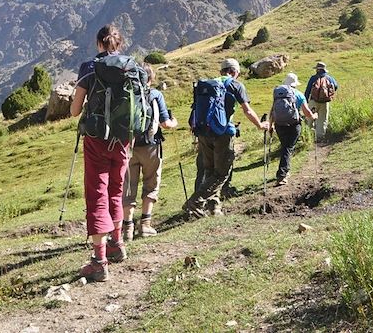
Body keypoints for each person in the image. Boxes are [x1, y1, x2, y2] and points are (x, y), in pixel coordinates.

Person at [70, 24, 135, 282]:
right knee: (116, 191)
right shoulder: (133, 66)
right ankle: (117, 244)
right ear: (119, 44)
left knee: (97, 192)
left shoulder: (89, 67)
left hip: (97, 139)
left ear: (99, 43)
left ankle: (99, 261)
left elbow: (75, 111)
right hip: (123, 140)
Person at [184, 58, 269, 217]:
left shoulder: (207, 84)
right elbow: (247, 111)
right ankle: (196, 200)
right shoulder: (235, 85)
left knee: (209, 170)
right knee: (222, 172)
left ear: (221, 71)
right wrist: (260, 125)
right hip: (222, 133)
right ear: (235, 72)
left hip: (203, 132)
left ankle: (214, 207)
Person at [122, 64, 177, 241]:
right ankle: (145, 225)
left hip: (128, 147)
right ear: (151, 79)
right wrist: (174, 122)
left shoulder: (126, 94)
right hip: (151, 146)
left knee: (128, 187)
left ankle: (127, 229)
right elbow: (165, 124)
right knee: (151, 184)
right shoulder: (155, 94)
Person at [270, 73, 317, 186]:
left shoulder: (278, 93)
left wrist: (270, 124)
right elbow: (306, 112)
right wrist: (314, 116)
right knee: (288, 148)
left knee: (285, 147)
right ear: (295, 84)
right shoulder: (299, 95)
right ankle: (282, 175)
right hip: (293, 124)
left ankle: (285, 171)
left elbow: (273, 110)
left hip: (279, 124)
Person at [304, 61, 339, 140]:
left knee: (310, 118)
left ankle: (309, 136)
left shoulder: (313, 78)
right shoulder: (329, 78)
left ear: (317, 70)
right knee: (322, 120)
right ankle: (320, 137)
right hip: (325, 102)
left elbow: (308, 90)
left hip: (313, 101)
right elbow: (336, 87)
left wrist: (306, 101)